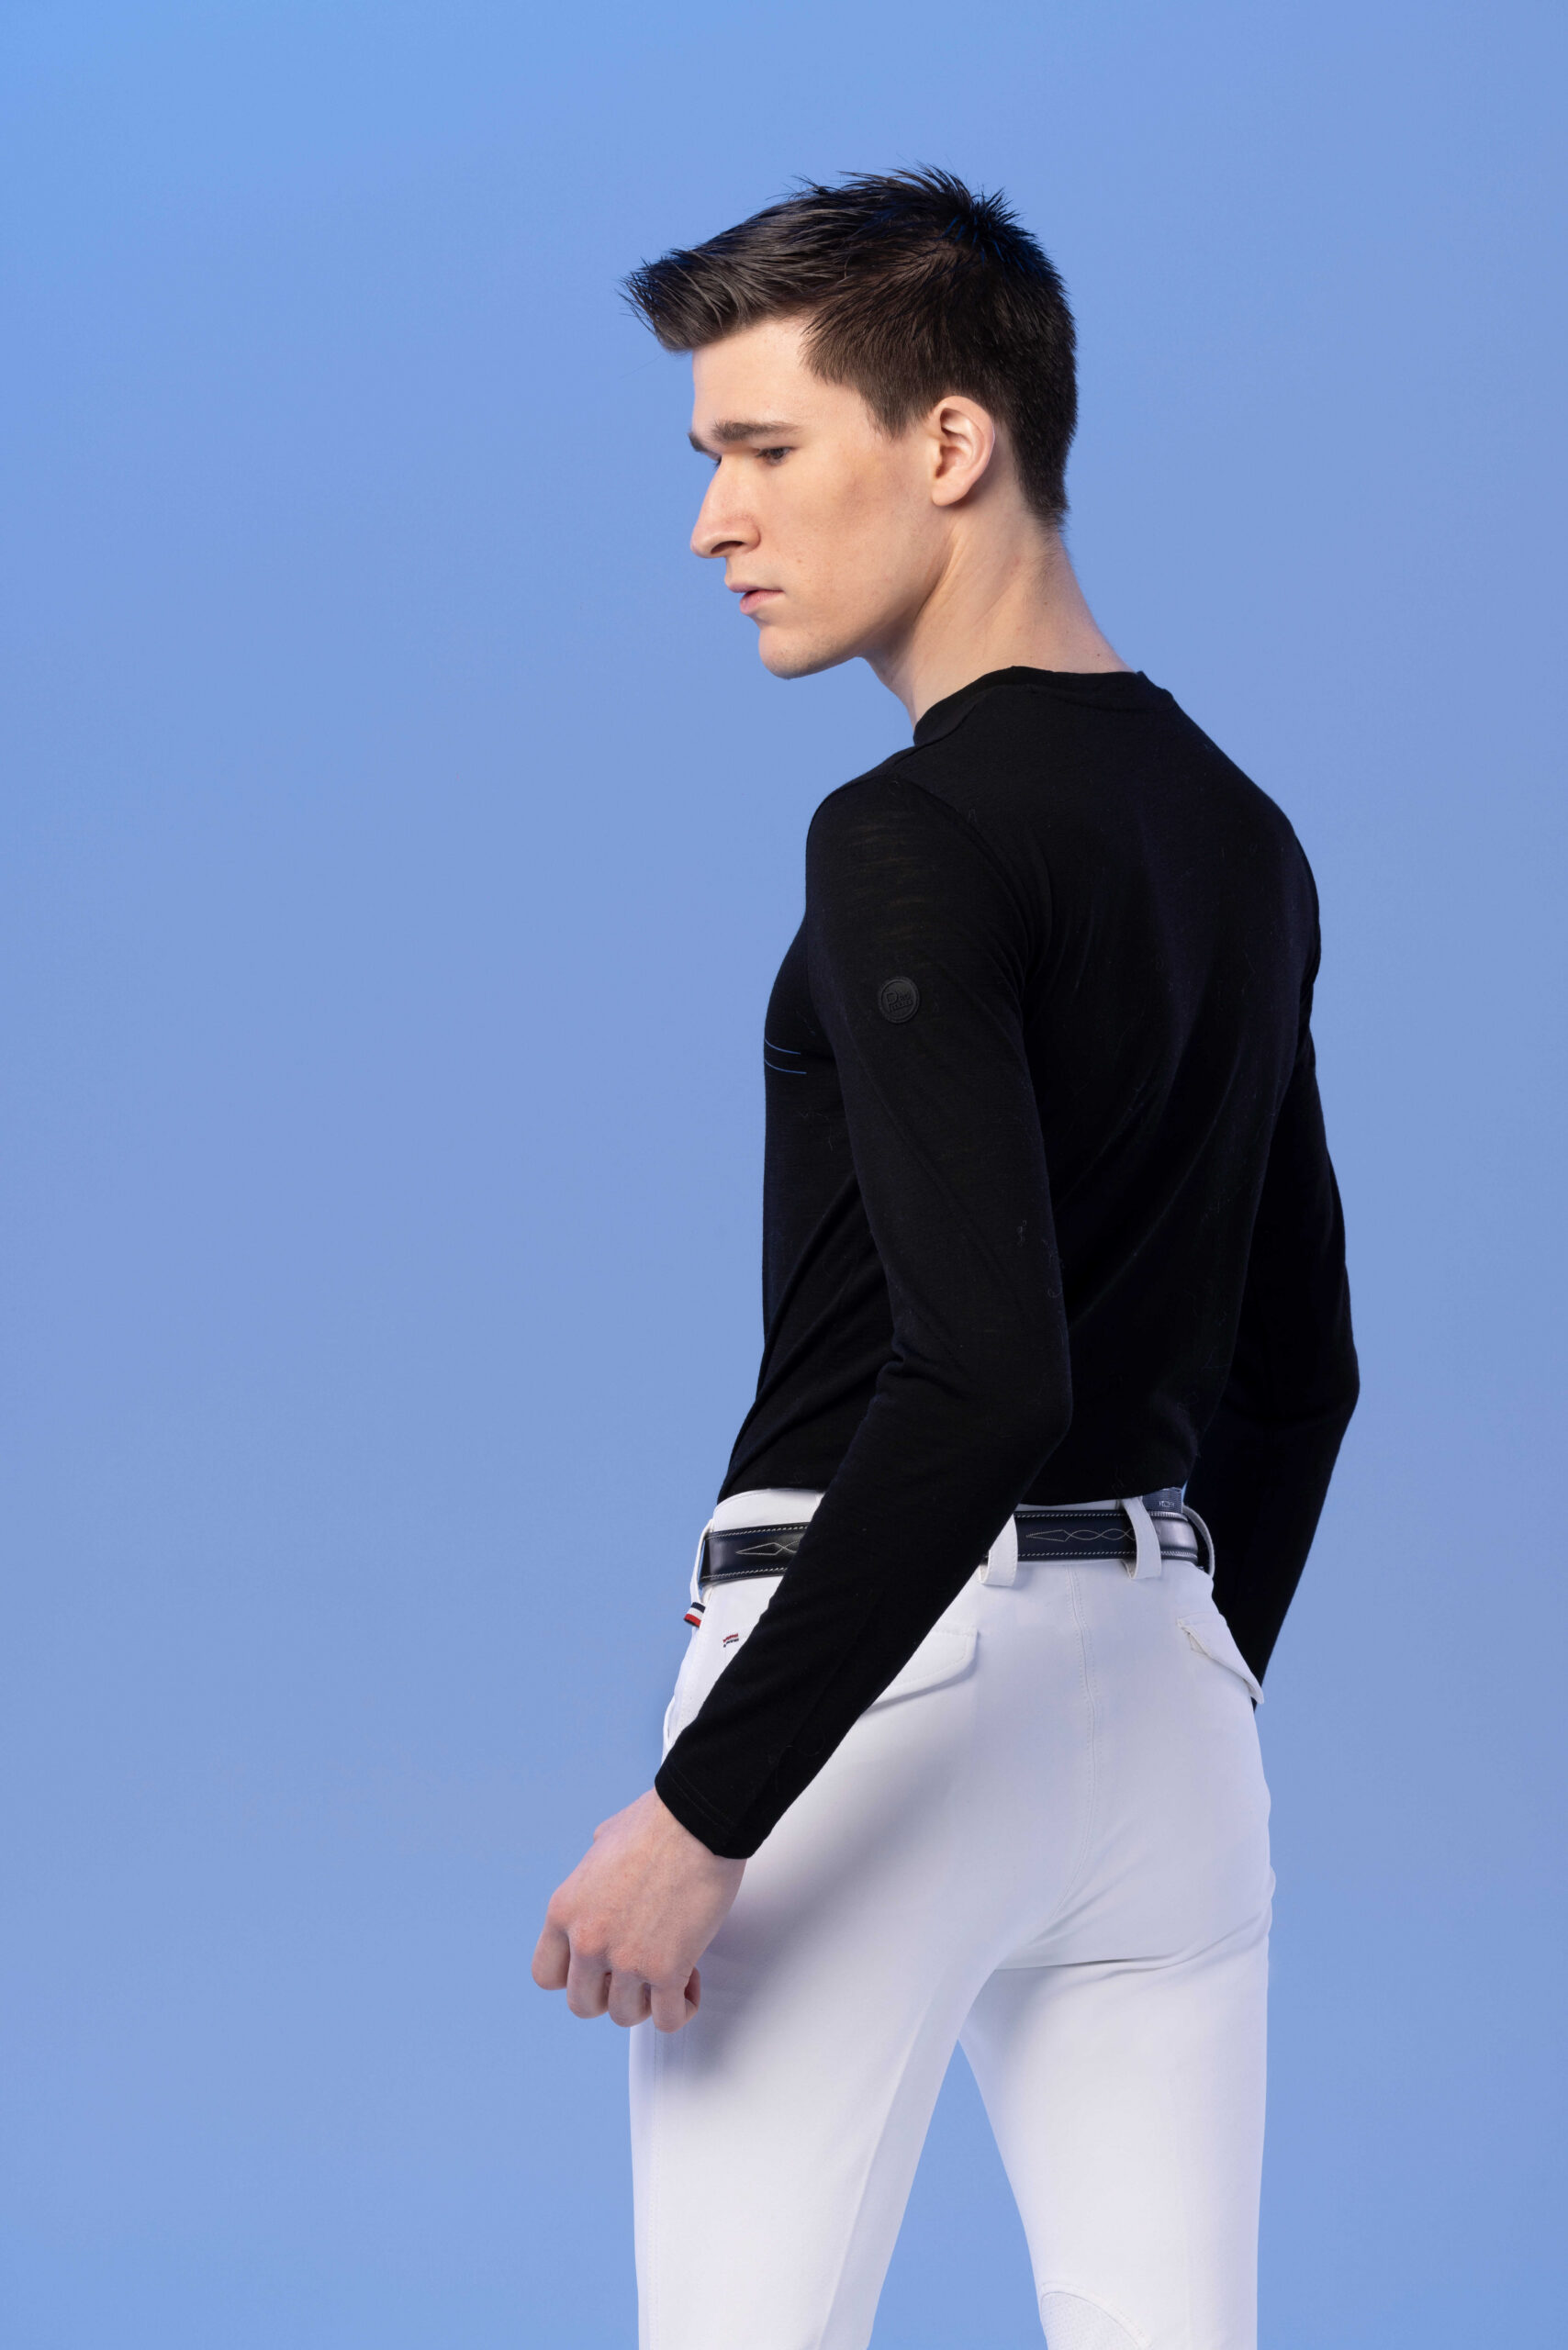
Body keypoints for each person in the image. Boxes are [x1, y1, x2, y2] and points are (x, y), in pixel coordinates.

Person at [532, 168, 1358, 2350]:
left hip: (866, 1706)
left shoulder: (901, 833)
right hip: (1166, 1709)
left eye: (759, 447)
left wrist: (699, 1809)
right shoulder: (1238, 835)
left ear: (949, 443)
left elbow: (979, 1371)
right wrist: (1174, 1674)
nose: (710, 522)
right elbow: (1301, 1371)